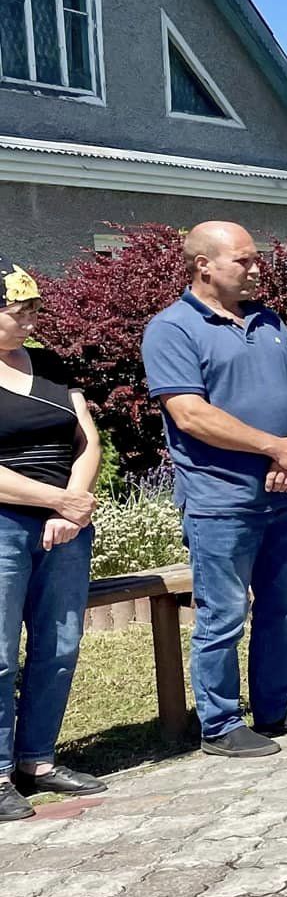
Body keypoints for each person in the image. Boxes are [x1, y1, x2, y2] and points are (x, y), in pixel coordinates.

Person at [141, 221, 287, 757]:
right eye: (243, 260)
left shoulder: (268, 320)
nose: (255, 269)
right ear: (204, 265)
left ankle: (276, 705)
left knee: (282, 605)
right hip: (221, 500)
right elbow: (191, 414)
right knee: (223, 614)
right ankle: (221, 724)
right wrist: (275, 448)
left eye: (255, 259)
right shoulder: (172, 329)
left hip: (284, 492)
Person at [0, 258, 105, 816]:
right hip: (7, 525)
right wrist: (54, 500)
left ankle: (37, 759)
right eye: (18, 312)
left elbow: (87, 439)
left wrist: (75, 503)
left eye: (34, 310)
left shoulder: (50, 365)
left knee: (59, 647)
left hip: (67, 524)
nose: (30, 322)